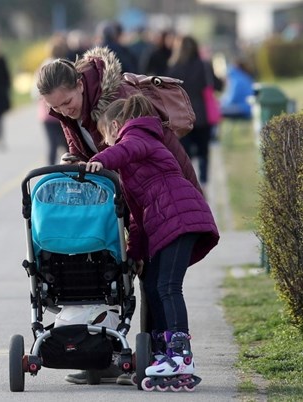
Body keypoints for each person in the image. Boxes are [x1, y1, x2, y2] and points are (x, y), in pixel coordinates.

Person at [35, 46, 201, 385]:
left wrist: (103, 161)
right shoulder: (70, 114)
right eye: (55, 108)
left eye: (67, 102)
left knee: (156, 280)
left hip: (160, 194)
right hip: (130, 194)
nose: (63, 111)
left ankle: (156, 356)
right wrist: (75, 161)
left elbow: (132, 143)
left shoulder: (118, 97)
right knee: (114, 267)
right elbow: (85, 152)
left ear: (80, 84)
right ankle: (108, 355)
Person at [83, 95, 219, 387]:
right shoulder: (130, 164)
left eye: (107, 137)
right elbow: (136, 218)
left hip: (180, 217)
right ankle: (164, 352)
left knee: (168, 287)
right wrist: (135, 254)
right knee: (156, 286)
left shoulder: (139, 135)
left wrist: (98, 161)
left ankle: (180, 353)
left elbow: (126, 149)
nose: (107, 144)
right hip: (169, 220)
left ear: (117, 126)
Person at [166, 35, 214, 187]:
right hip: (201, 114)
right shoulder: (204, 65)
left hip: (181, 117)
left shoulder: (173, 68)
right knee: (203, 152)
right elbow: (215, 85)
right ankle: (205, 181)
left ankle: (188, 183)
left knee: (184, 154)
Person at [32, 34, 69, 165]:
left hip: (46, 113)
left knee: (52, 145)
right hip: (64, 112)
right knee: (67, 146)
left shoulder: (42, 67)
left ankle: (50, 172)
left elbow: (35, 92)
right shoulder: (65, 66)